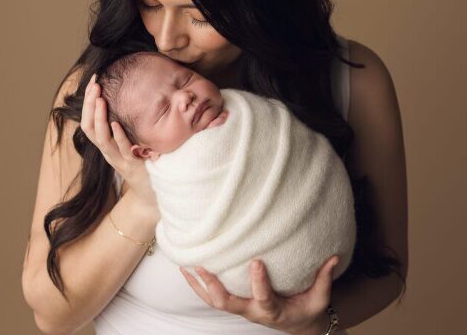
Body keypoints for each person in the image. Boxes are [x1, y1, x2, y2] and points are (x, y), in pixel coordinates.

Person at [21, 0, 408, 335]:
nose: (166, 39)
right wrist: (144, 198)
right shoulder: (104, 102)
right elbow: (52, 316)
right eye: (149, 3)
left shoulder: (353, 81)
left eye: (199, 16)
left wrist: (312, 322)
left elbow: (388, 273)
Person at [93, 50, 356, 299]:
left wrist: (229, 130)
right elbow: (187, 221)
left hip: (322, 217)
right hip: (259, 264)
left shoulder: (243, 106)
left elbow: (289, 139)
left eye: (185, 80)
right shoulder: (173, 175)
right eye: (163, 110)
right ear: (145, 152)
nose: (184, 97)